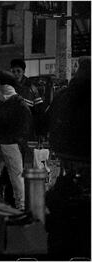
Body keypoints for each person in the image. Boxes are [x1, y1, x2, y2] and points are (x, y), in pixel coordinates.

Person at [45, 56, 90, 258]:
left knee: (63, 206)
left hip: (67, 161)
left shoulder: (63, 96)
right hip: (86, 160)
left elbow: (48, 123)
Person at [0, 70, 32, 210]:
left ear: (0, 82)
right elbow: (26, 120)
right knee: (17, 176)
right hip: (12, 143)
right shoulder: (18, 100)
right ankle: (21, 205)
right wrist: (20, 138)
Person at [10, 58, 46, 143]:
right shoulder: (7, 87)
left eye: (18, 71)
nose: (16, 74)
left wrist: (40, 133)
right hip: (10, 131)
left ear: (23, 72)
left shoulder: (32, 88)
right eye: (13, 71)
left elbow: (39, 113)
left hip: (27, 131)